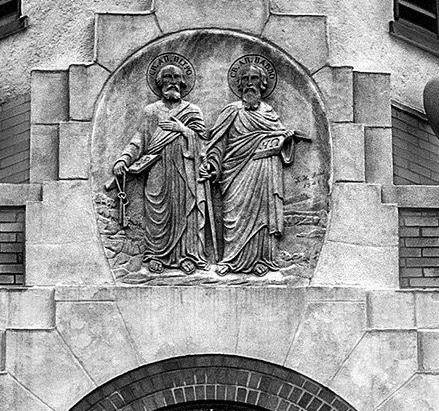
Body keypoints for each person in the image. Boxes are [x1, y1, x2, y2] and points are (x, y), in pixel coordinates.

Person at [112, 58, 212, 272]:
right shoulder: (151, 111)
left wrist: (182, 130)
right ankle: (156, 255)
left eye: (177, 77)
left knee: (187, 210)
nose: (172, 82)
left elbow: (204, 142)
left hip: (187, 170)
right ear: (159, 82)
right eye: (167, 77)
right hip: (158, 169)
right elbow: (139, 139)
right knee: (157, 212)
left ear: (184, 82)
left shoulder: (193, 111)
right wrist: (124, 159)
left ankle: (188, 256)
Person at [205, 52, 299, 275]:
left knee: (262, 218)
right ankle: (231, 259)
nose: (249, 84)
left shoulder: (270, 113)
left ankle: (262, 260)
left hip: (265, 171)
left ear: (263, 84)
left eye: (254, 79)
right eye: (245, 80)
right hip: (235, 174)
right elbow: (218, 142)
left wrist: (285, 139)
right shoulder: (231, 111)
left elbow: (279, 140)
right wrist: (211, 164)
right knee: (234, 217)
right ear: (239, 84)